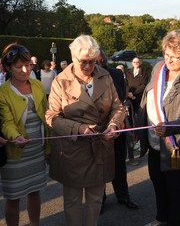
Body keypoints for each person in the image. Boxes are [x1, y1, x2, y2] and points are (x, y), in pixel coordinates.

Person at [45, 35, 125, 226]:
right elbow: (51, 117)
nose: (89, 67)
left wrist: (114, 124)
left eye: (92, 61)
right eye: (84, 62)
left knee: (96, 199)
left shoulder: (104, 76)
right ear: (73, 58)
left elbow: (118, 107)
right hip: (73, 149)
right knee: (72, 200)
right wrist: (79, 129)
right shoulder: (60, 81)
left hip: (99, 146)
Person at [137, 30, 180, 226]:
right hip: (153, 142)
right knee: (158, 183)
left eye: (174, 57)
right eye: (166, 54)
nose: (168, 60)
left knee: (175, 189)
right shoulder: (158, 67)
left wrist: (169, 127)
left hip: (176, 145)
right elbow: (147, 98)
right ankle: (161, 218)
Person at [0, 43, 50, 226]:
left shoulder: (37, 85)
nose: (24, 70)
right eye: (18, 66)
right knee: (13, 198)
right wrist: (15, 137)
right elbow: (6, 122)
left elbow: (46, 116)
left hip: (36, 150)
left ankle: (35, 224)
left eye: (28, 65)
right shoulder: (2, 92)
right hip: (15, 153)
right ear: (7, 67)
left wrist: (48, 148)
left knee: (35, 192)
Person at [96, 48, 138, 213]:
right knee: (100, 165)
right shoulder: (87, 77)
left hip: (117, 126)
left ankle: (123, 195)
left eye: (102, 61)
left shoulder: (116, 74)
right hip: (98, 129)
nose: (99, 64)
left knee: (119, 163)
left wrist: (116, 121)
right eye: (96, 61)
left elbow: (121, 98)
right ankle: (100, 199)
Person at [125, 57, 148, 165]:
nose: (135, 63)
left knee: (138, 122)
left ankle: (138, 142)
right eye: (134, 62)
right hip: (129, 101)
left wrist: (134, 94)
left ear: (140, 62)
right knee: (130, 124)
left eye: (137, 62)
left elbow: (144, 85)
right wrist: (128, 94)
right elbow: (126, 84)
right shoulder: (128, 72)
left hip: (138, 100)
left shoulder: (144, 72)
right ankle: (132, 148)